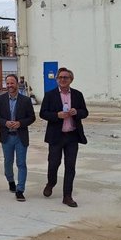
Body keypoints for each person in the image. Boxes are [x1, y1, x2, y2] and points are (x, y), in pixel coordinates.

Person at [39, 67, 89, 208]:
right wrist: (57, 115)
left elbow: (85, 112)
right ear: (57, 79)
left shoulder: (78, 95)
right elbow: (43, 113)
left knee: (70, 167)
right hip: (56, 136)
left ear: (71, 80)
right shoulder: (50, 95)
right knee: (54, 163)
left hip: (72, 136)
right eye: (60, 77)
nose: (63, 80)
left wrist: (76, 112)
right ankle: (51, 182)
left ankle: (67, 196)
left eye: (65, 77)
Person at [0, 74, 36, 201]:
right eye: (8, 83)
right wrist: (4, 122)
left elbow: (32, 117)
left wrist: (20, 123)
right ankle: (10, 180)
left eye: (12, 83)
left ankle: (20, 190)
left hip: (20, 137)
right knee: (8, 162)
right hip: (7, 137)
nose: (10, 86)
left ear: (17, 84)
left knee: (21, 163)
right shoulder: (0, 99)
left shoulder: (25, 100)